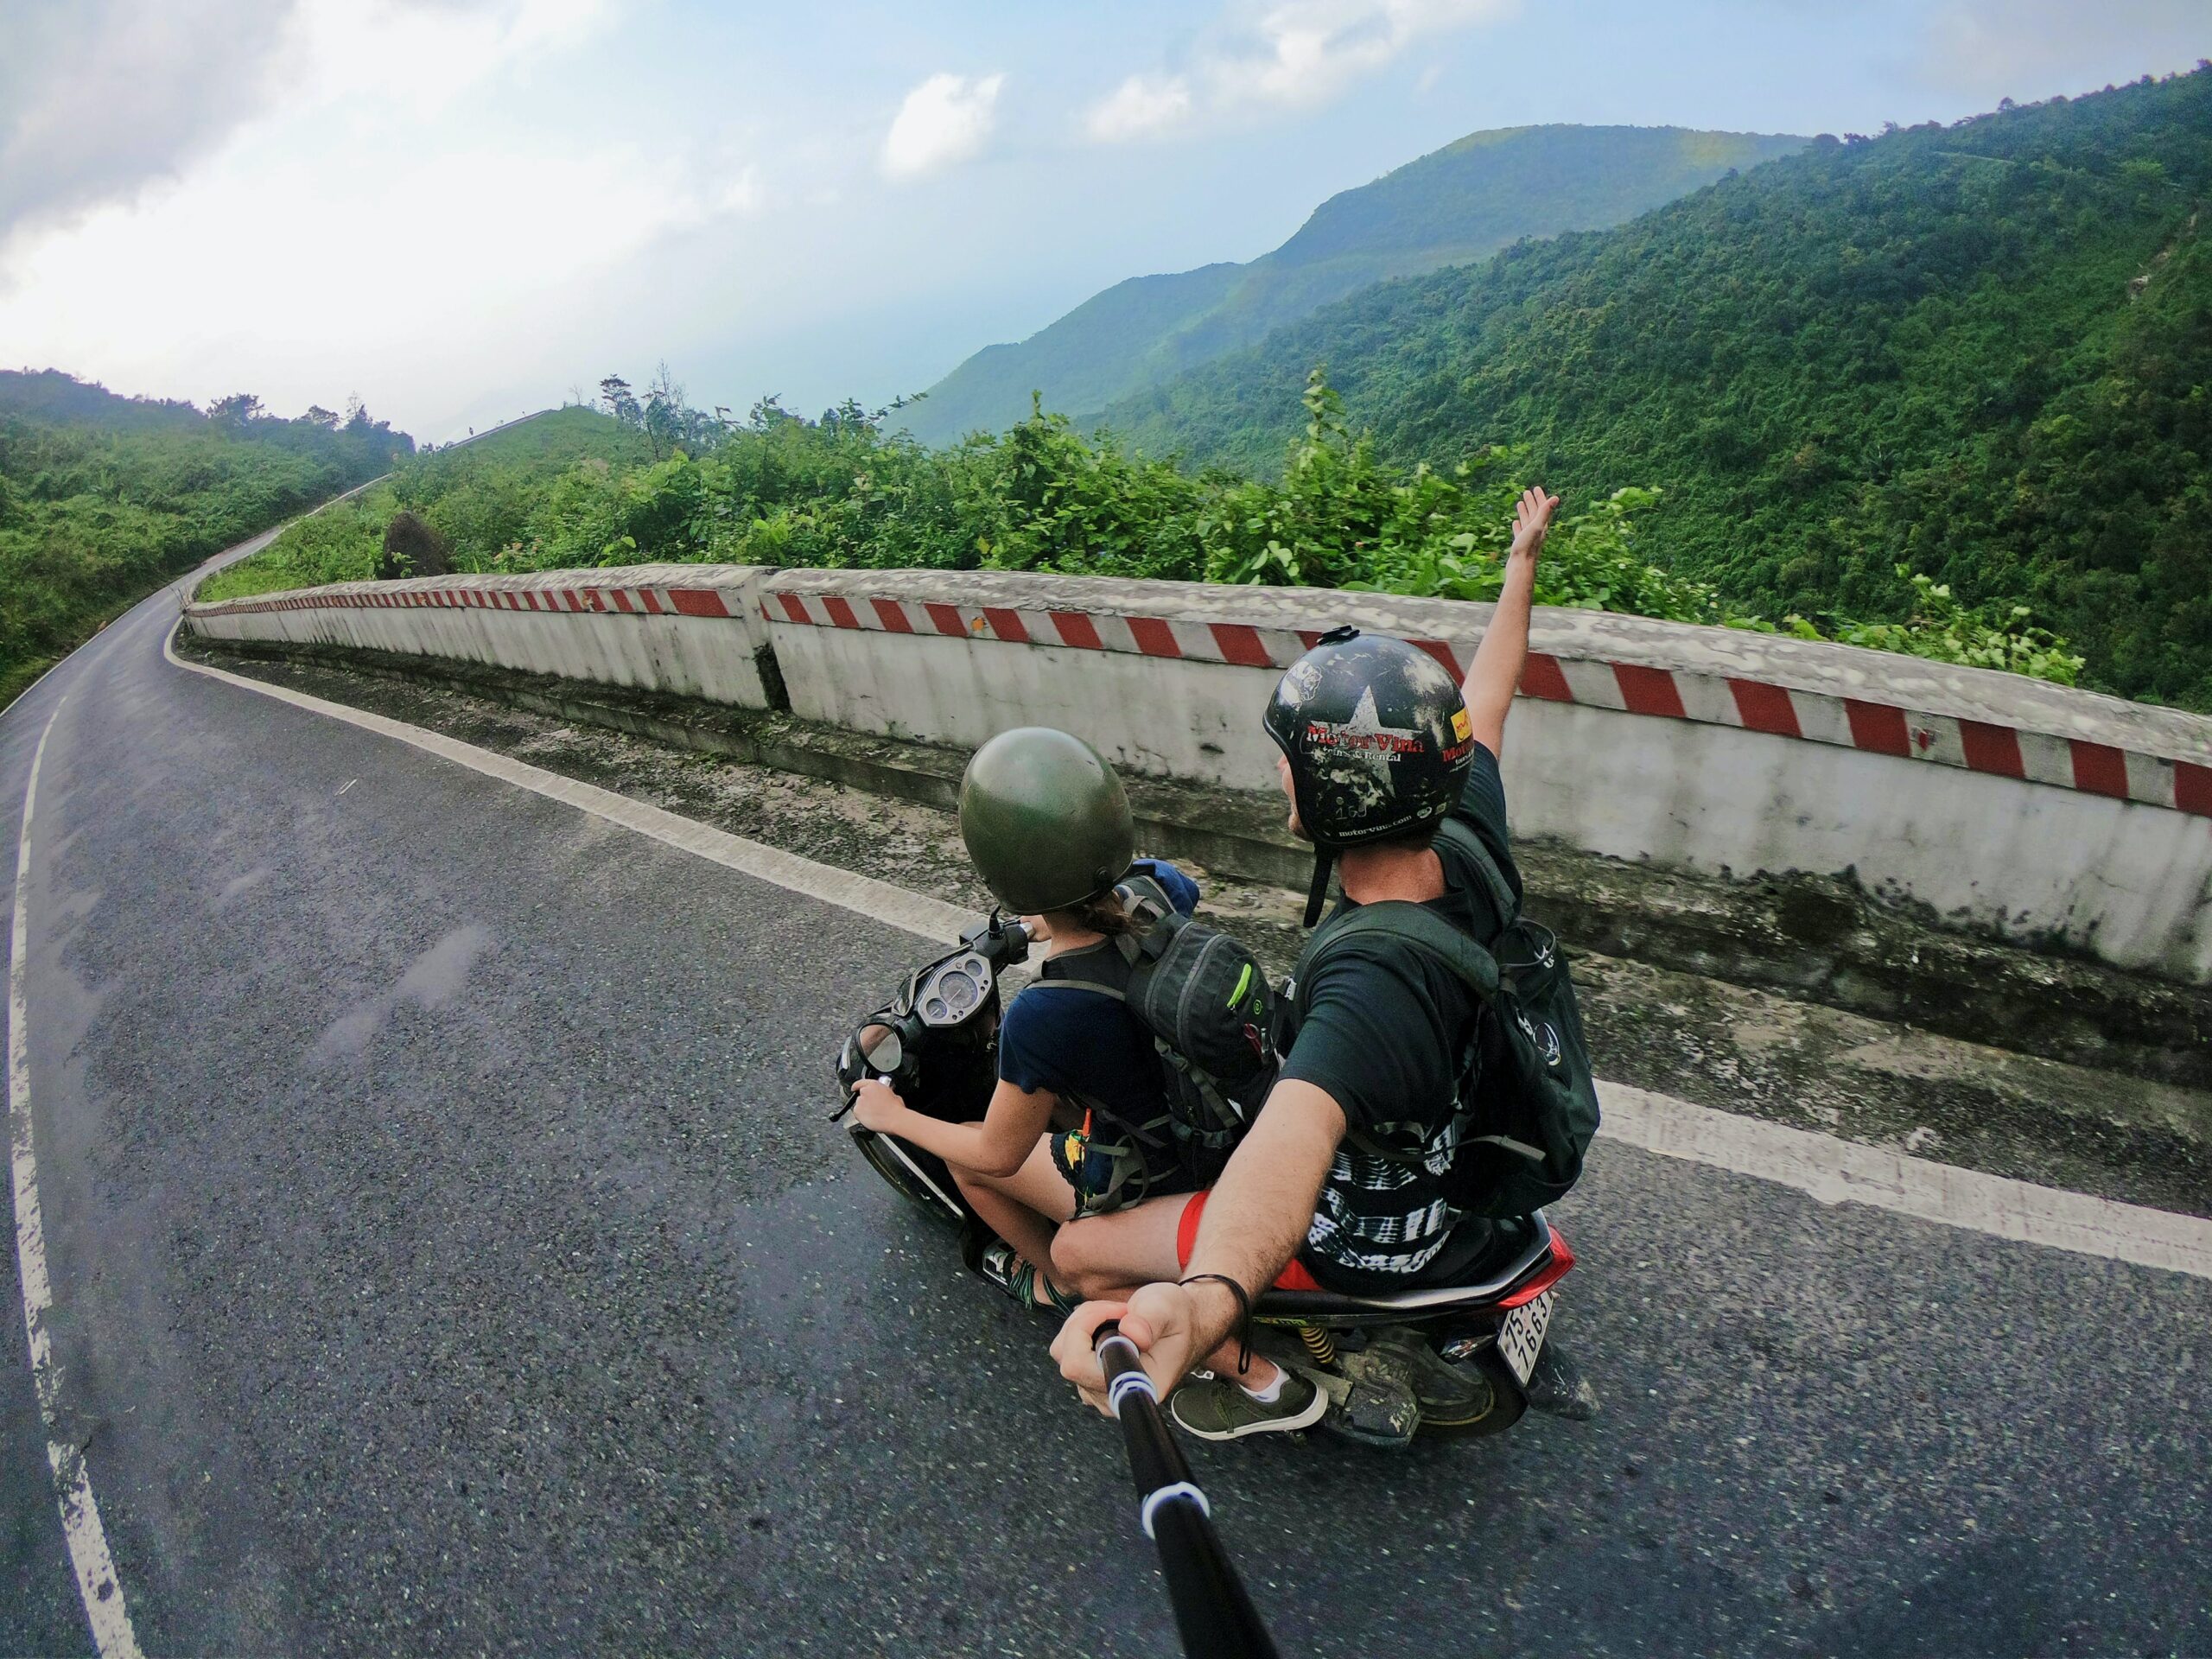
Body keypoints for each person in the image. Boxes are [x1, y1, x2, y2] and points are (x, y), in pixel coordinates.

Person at [1048, 485, 1562, 1440]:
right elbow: (1487, 690)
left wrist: (1203, 1303)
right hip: (1449, 1136)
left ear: (1338, 789)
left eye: (1290, 759)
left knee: (1080, 1249)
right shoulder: (1463, 822)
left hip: (1371, 1235)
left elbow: (1287, 1150)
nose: (1279, 771)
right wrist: (1520, 563)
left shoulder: (1370, 987)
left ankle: (1250, 1377)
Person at [850, 726, 1201, 1315]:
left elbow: (997, 1154)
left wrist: (895, 1117)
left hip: (1156, 1177)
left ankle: (1054, 1278)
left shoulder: (1044, 1014)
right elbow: (1155, 884)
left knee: (967, 1160)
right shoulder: (1159, 891)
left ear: (1003, 876)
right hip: (1199, 1115)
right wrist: (1053, 919)